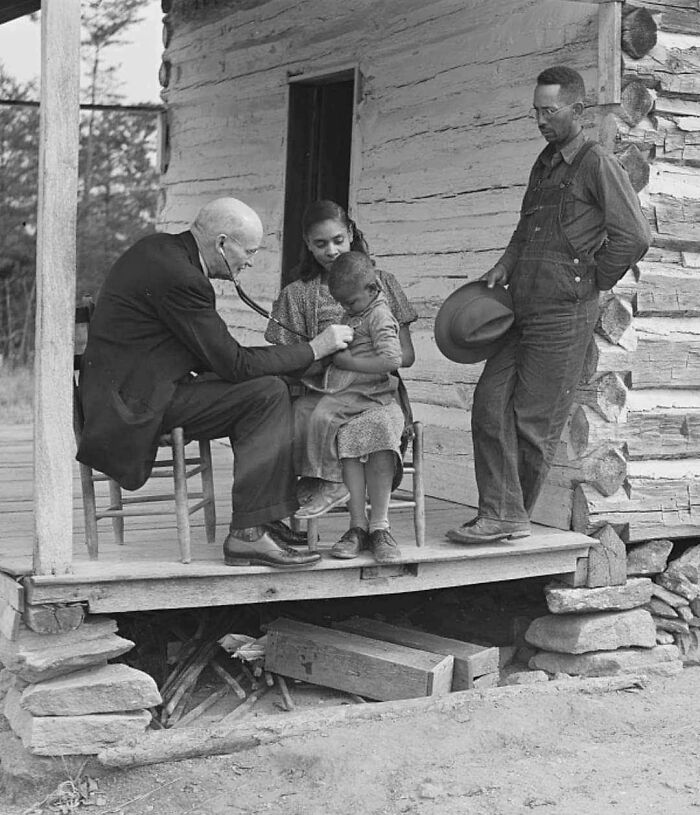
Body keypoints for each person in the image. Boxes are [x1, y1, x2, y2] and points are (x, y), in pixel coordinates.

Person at [77, 197, 354, 568]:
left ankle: (262, 519)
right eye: (249, 251)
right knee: (266, 394)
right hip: (132, 408)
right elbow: (234, 363)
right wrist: (315, 349)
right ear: (223, 243)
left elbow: (215, 357)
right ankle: (248, 534)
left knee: (263, 388)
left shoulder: (163, 252)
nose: (250, 262)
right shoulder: (182, 277)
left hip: (136, 390)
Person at [447, 66, 651, 545]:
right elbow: (526, 228)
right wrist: (504, 264)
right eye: (536, 111)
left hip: (564, 312)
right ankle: (501, 513)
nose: (540, 120)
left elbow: (634, 235)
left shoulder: (597, 163)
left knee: (534, 422)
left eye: (549, 111)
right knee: (489, 404)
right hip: (520, 305)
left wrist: (593, 278)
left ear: (577, 110)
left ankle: (508, 516)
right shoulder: (544, 163)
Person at [265, 200, 417, 562]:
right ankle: (355, 526)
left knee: (379, 425)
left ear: (351, 233)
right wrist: (321, 353)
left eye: (338, 240)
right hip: (325, 391)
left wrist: (355, 357)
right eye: (320, 244)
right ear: (307, 244)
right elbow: (288, 363)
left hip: (377, 392)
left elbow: (405, 356)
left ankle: (378, 528)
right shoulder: (297, 294)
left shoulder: (381, 282)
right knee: (316, 419)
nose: (331, 251)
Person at [296, 251, 404, 561]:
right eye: (342, 303)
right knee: (305, 411)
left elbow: (393, 359)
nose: (345, 308)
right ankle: (351, 519)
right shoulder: (357, 311)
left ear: (372, 288)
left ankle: (343, 495)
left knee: (325, 414)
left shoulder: (379, 315)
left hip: (373, 393)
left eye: (350, 302)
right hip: (352, 389)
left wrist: (349, 362)